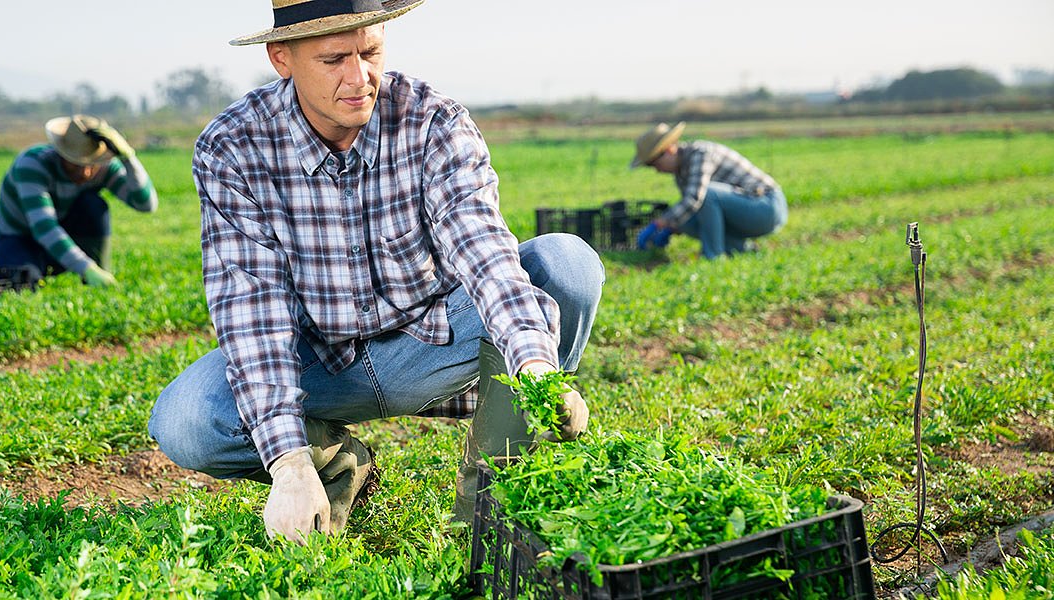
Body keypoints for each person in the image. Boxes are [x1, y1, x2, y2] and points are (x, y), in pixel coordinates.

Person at [147, 0, 605, 544]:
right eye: (334, 58)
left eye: (370, 52)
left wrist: (534, 367)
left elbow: (482, 249)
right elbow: (252, 305)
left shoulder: (431, 119)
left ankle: (493, 490)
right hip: (320, 362)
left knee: (565, 264)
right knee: (188, 419)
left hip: (433, 340)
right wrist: (290, 461)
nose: (359, 77)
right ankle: (337, 464)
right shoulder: (234, 147)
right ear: (281, 58)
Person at [0, 114, 157, 286]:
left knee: (94, 205)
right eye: (76, 163)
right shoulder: (33, 164)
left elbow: (145, 204)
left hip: (63, 237)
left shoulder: (103, 167)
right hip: (16, 238)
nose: (85, 172)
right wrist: (87, 268)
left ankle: (97, 277)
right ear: (61, 153)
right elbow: (44, 227)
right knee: (25, 280)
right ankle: (81, 272)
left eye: (91, 164)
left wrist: (128, 158)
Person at [631, 122, 787, 259]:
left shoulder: (700, 153)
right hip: (747, 211)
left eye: (654, 163)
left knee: (707, 194)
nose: (656, 170)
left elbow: (694, 198)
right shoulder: (680, 173)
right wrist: (673, 227)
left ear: (669, 149)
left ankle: (712, 256)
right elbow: (695, 211)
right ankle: (739, 249)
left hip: (767, 207)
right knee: (685, 220)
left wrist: (662, 222)